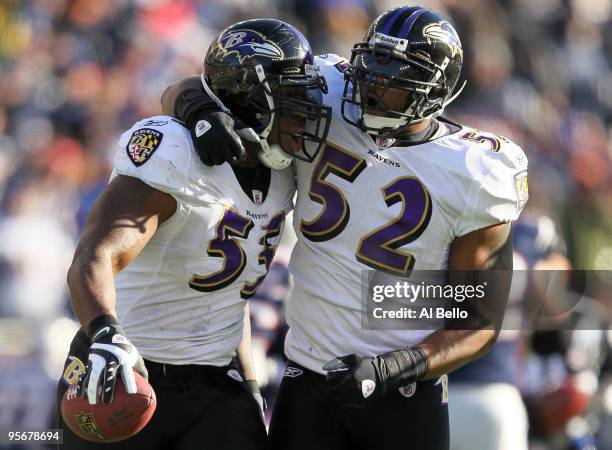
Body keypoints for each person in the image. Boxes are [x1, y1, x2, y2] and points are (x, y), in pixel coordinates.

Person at [163, 6, 529, 450]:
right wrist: (200, 110)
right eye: (370, 69)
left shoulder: (477, 169)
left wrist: (391, 369)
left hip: (405, 391)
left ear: (433, 90)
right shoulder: (327, 88)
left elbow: (478, 322)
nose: (372, 86)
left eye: (392, 79)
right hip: (307, 377)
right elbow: (189, 88)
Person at [57, 18, 330, 449]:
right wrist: (105, 335)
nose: (304, 114)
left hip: (217, 381)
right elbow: (95, 255)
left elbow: (230, 296)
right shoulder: (176, 151)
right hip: (127, 370)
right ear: (250, 100)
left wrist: (251, 383)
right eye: (293, 100)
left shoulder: (284, 172)